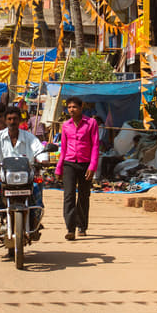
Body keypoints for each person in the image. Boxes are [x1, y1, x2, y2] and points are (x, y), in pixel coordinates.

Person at [0, 105, 44, 261]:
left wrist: (43, 159)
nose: (12, 121)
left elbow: (39, 150)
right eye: (9, 119)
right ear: (5, 120)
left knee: (38, 190)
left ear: (20, 120)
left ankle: (35, 221)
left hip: (26, 179)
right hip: (4, 179)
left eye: (15, 119)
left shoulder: (29, 137)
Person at [55, 96, 100, 240]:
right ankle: (70, 228)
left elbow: (95, 145)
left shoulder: (91, 123)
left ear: (81, 108)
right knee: (68, 195)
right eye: (69, 107)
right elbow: (63, 148)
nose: (71, 110)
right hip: (69, 163)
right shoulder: (66, 125)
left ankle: (82, 226)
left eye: (74, 107)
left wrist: (92, 166)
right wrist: (59, 168)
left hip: (85, 164)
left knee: (83, 196)